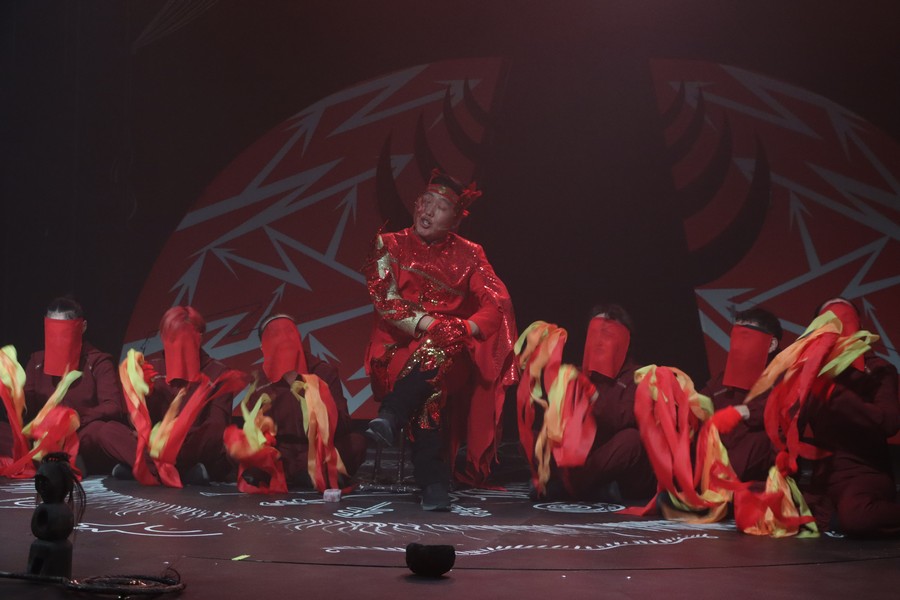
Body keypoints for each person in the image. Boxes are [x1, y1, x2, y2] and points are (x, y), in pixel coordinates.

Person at [363, 170, 517, 510]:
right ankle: (433, 482)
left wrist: (465, 328)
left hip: (452, 354)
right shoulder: (389, 244)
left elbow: (496, 304)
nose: (428, 211)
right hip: (396, 350)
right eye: (425, 201)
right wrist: (432, 325)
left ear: (456, 220)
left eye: (440, 207)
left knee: (439, 356)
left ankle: (392, 415)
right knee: (430, 383)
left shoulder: (471, 254)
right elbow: (386, 301)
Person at [800, 297, 900, 536]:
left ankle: (839, 518)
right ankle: (832, 518)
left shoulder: (878, 370)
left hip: (864, 473)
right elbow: (792, 424)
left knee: (856, 516)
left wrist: (841, 396)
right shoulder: (810, 373)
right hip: (824, 477)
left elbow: (889, 423)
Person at [237, 314, 367, 489]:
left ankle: (310, 472)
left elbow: (344, 423)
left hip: (320, 451)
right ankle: (306, 474)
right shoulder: (260, 380)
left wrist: (319, 403)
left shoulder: (323, 372)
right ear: (263, 347)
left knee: (356, 443)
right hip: (283, 453)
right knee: (243, 447)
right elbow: (256, 431)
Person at [23, 297, 137, 476]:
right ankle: (55, 463)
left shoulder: (97, 361)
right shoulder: (37, 361)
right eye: (52, 330)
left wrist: (76, 418)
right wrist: (14, 396)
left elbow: (113, 405)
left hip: (82, 434)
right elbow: (26, 407)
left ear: (82, 327)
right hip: (42, 438)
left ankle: (152, 468)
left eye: (64, 331)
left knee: (105, 430)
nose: (58, 338)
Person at [560, 304, 656, 502]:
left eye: (608, 333)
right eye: (595, 332)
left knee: (632, 439)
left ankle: (568, 487)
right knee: (537, 439)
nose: (600, 341)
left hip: (618, 462)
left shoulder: (637, 376)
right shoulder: (576, 375)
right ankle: (588, 487)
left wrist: (594, 400)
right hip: (586, 453)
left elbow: (628, 419)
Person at [141, 306, 246, 485]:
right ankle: (174, 470)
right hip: (156, 443)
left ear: (200, 337)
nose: (178, 344)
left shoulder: (218, 372)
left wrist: (175, 436)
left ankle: (153, 468)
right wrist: (140, 399)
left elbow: (217, 424)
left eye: (184, 337)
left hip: (195, 446)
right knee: (113, 432)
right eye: (172, 337)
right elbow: (140, 422)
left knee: (215, 433)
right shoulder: (151, 369)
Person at [700, 307, 782, 482]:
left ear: (771, 344)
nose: (738, 345)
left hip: (763, 473)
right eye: (735, 337)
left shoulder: (784, 376)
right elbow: (699, 402)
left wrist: (746, 411)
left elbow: (784, 408)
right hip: (720, 465)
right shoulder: (721, 381)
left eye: (747, 336)